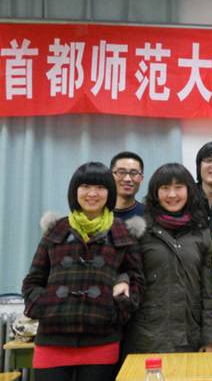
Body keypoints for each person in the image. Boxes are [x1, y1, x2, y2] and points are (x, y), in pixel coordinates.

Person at [22, 162, 144, 381]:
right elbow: (33, 280)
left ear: (110, 192)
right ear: (74, 191)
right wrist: (46, 306)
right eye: (85, 186)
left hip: (102, 340)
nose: (92, 193)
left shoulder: (123, 232)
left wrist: (117, 308)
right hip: (52, 339)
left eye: (100, 187)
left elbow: (136, 280)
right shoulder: (56, 229)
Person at [124, 163, 212, 353]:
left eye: (178, 187)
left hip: (190, 333)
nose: (172, 194)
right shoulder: (140, 229)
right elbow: (128, 274)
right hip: (147, 334)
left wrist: (210, 340)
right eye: (165, 188)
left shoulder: (201, 231)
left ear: (189, 190)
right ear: (155, 193)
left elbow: (209, 292)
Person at [110, 151, 145, 220]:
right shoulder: (97, 213)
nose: (127, 179)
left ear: (141, 178)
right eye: (121, 172)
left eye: (134, 173)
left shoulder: (150, 215)